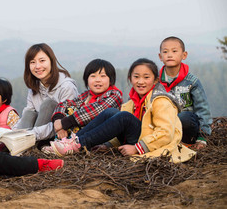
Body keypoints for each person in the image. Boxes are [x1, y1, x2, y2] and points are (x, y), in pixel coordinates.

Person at [49, 58, 196, 163]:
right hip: (139, 136)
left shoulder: (161, 100)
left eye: (146, 77)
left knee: (123, 117)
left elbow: (165, 134)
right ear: (130, 78)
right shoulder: (132, 102)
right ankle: (71, 143)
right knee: (111, 113)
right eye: (136, 77)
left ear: (156, 80)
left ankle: (77, 144)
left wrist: (137, 148)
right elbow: (119, 129)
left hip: (151, 143)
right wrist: (107, 145)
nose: (140, 81)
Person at [44, 59, 122, 151]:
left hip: (100, 138)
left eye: (103, 76)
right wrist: (58, 119)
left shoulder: (114, 94)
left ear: (111, 79)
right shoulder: (87, 95)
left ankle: (67, 145)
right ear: (87, 80)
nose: (98, 80)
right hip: (79, 135)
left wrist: (64, 123)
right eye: (93, 76)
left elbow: (95, 111)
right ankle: (60, 143)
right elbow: (65, 104)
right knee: (69, 108)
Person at [15, 43, 78, 144]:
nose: (37, 66)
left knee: (49, 104)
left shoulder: (67, 87)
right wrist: (11, 133)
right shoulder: (33, 88)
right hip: (33, 134)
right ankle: (17, 144)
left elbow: (64, 122)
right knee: (29, 113)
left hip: (58, 136)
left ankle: (31, 146)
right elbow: (27, 116)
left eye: (42, 61)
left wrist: (31, 134)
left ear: (51, 61)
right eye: (32, 62)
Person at [158, 36, 212, 149]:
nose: (169, 54)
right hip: (165, 128)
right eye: (165, 51)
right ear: (160, 57)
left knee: (184, 117)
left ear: (184, 55)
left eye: (174, 51)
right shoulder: (156, 82)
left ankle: (187, 143)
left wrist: (203, 136)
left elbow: (202, 109)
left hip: (186, 127)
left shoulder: (192, 81)